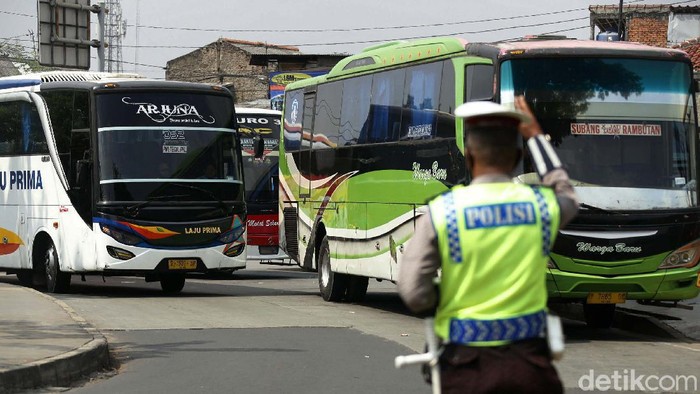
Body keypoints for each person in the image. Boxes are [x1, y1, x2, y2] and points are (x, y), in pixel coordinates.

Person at [398, 96, 579, 394]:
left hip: (465, 368)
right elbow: (567, 192)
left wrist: (443, 299)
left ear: (469, 156)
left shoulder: (444, 211)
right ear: (517, 156)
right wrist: (536, 137)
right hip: (529, 367)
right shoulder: (541, 206)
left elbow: (413, 291)